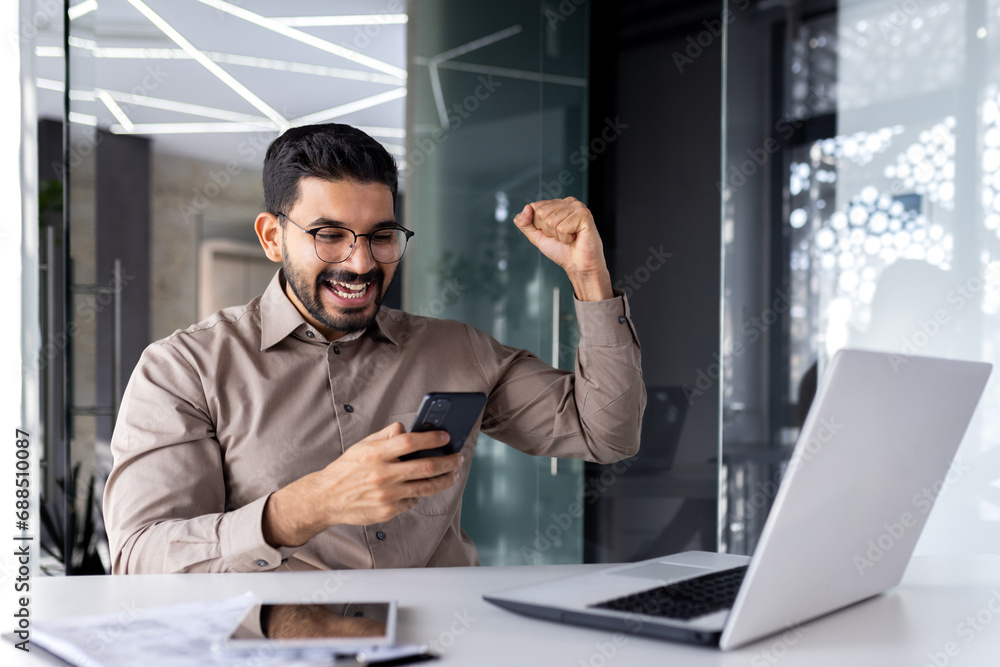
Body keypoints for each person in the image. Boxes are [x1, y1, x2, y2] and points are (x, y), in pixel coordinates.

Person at [103, 123, 645, 573]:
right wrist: (310, 505)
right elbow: (139, 560)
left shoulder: (459, 351)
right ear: (272, 237)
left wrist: (590, 278)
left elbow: (607, 433)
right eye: (329, 234)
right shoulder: (182, 369)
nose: (360, 263)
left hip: (445, 647)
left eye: (381, 236)